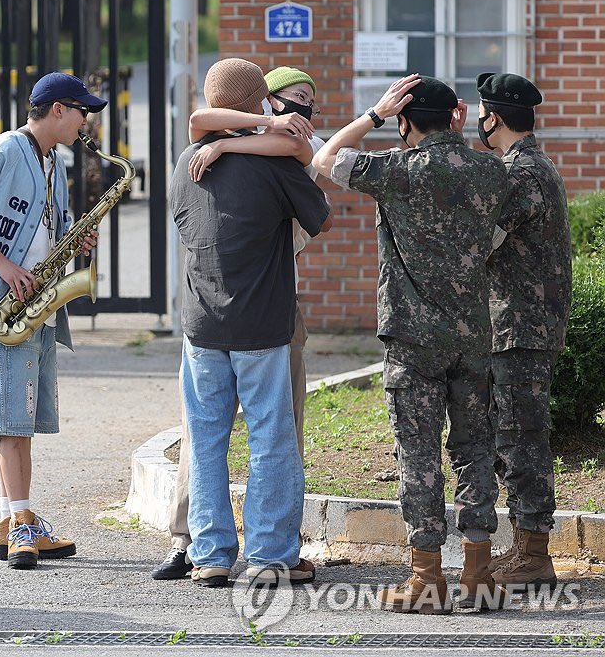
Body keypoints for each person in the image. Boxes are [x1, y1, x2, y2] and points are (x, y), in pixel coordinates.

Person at [313, 75, 508, 613]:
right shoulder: (491, 170)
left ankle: (426, 577)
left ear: (404, 122)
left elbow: (326, 159)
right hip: (474, 334)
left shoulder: (397, 171)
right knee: (475, 450)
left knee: (418, 452)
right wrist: (452, 133)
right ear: (455, 117)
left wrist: (373, 114)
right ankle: (479, 571)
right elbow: (495, 233)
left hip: (413, 336)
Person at [154, 65, 328, 581]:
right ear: (263, 103)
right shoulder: (276, 165)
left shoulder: (188, 161)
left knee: (206, 440)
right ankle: (271, 553)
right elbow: (320, 217)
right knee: (270, 438)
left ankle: (208, 556)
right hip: (263, 325)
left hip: (200, 325)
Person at [0, 72, 100, 570]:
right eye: (81, 111)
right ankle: (24, 521)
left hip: (37, 301)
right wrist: (3, 266)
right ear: (56, 109)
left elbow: (46, 225)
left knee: (20, 422)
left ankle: (11, 520)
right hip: (3, 300)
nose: (85, 121)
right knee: (10, 422)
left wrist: (74, 240)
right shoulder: (3, 151)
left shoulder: (57, 162)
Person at [476, 73, 572, 590]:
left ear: (495, 117)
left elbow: (484, 243)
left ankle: (534, 553)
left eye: (483, 113)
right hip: (521, 325)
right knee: (516, 434)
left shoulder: (520, 175)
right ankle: (525, 545)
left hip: (520, 327)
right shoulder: (534, 167)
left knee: (521, 438)